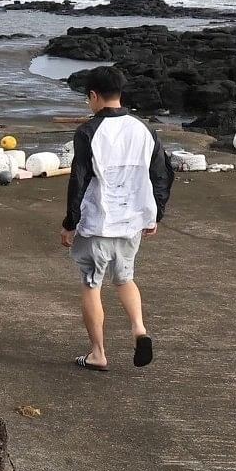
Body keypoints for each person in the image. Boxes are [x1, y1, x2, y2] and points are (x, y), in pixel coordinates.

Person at [58, 65, 171, 371]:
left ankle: (98, 353)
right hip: (132, 220)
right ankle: (139, 329)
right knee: (125, 279)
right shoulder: (144, 128)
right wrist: (155, 213)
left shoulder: (88, 131)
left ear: (94, 96)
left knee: (92, 286)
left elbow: (78, 180)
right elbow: (162, 173)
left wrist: (70, 222)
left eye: (87, 98)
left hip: (98, 221)